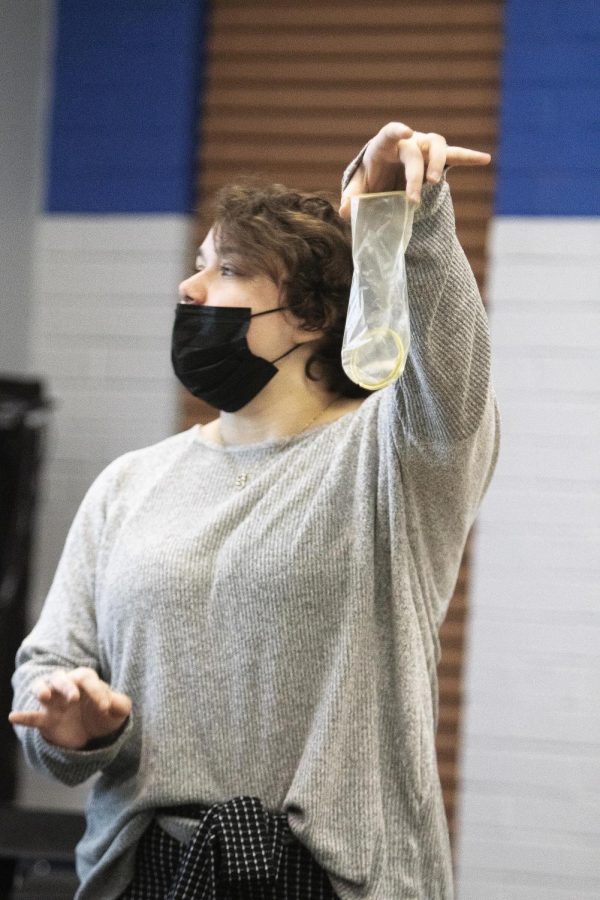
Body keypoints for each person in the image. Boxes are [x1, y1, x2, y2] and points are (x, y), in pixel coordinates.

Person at [10, 121, 499, 899]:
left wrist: (402, 218)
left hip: (334, 881)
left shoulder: (394, 461)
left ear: (308, 317)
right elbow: (47, 672)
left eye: (228, 270)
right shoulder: (131, 484)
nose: (190, 289)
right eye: (198, 267)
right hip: (146, 875)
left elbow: (452, 376)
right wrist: (70, 728)